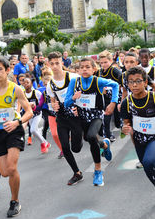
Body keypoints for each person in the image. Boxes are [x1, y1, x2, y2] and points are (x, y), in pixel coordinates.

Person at [0, 56, 33, 218]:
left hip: (13, 130)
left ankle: (14, 201)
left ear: (7, 70)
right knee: (3, 172)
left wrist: (17, 123)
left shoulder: (16, 89)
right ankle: (13, 192)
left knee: (11, 168)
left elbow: (29, 112)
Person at [65, 57, 119, 186]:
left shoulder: (98, 81)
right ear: (78, 70)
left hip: (96, 116)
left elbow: (115, 85)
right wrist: (73, 97)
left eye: (87, 67)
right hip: (81, 118)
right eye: (82, 67)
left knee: (90, 136)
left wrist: (113, 102)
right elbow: (66, 103)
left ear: (94, 69)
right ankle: (105, 144)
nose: (84, 69)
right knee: (89, 140)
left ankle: (98, 171)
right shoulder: (74, 82)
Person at [46, 52, 84, 184]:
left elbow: (84, 91)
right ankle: (77, 172)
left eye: (57, 63)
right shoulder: (50, 84)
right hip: (62, 117)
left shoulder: (73, 77)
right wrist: (55, 106)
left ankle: (86, 141)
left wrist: (79, 101)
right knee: (65, 147)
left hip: (75, 114)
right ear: (48, 65)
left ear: (62, 62)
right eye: (52, 64)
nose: (55, 66)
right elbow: (52, 101)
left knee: (76, 148)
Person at [121, 66, 155, 187]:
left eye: (138, 81)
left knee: (148, 161)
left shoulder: (153, 98)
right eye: (131, 82)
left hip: (154, 138)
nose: (134, 85)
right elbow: (127, 125)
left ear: (145, 82)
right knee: (147, 166)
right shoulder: (126, 103)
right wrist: (124, 129)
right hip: (139, 141)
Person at [97, 50, 122, 142]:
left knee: (117, 118)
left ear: (111, 61)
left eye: (105, 62)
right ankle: (108, 135)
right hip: (104, 98)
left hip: (115, 97)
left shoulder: (114, 70)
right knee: (106, 117)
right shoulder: (99, 72)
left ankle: (121, 124)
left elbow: (122, 80)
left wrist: (117, 86)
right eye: (101, 63)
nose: (103, 64)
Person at [23, 77, 51, 154]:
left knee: (33, 130)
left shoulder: (36, 93)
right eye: (24, 83)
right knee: (35, 131)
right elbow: (22, 106)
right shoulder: (23, 94)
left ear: (31, 84)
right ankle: (46, 142)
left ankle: (43, 144)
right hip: (29, 116)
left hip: (37, 114)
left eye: (27, 82)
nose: (26, 84)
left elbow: (41, 103)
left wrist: (34, 107)